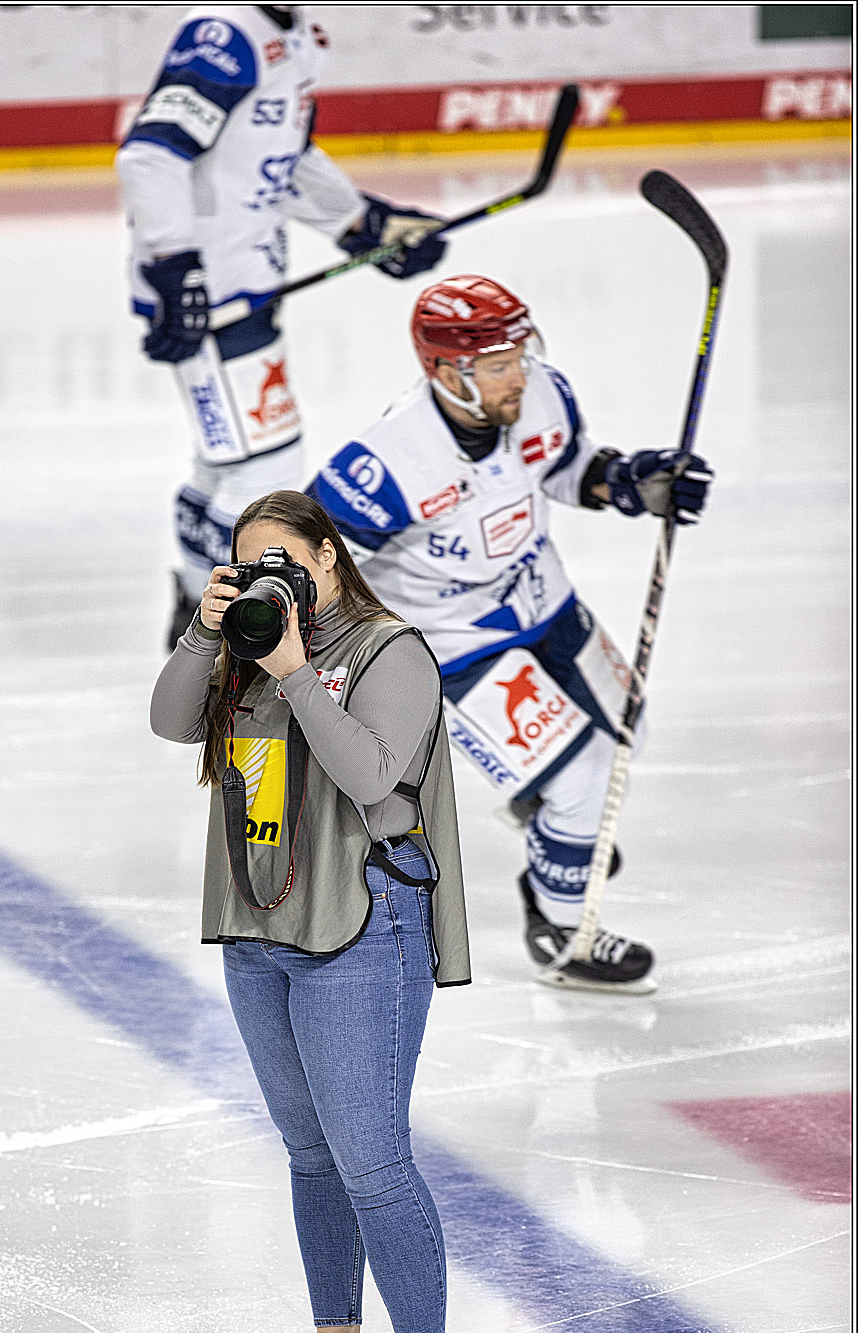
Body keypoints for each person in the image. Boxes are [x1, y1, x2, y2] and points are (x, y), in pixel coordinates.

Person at [150, 489, 470, 1333]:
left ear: (328, 558)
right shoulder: (242, 645)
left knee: (373, 1160)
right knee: (311, 1152)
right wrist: (210, 638)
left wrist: (292, 671)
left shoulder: (390, 652)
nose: (269, 582)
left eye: (283, 562)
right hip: (262, 926)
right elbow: (170, 721)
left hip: (364, 928)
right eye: (249, 567)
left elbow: (373, 777)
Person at [305, 273, 714, 994]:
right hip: (450, 639)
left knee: (625, 738)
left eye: (519, 355)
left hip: (540, 596)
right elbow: (314, 554)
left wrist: (629, 482)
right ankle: (563, 930)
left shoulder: (541, 390)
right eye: (498, 366)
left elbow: (566, 466)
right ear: (445, 370)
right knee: (583, 775)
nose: (518, 375)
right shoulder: (390, 459)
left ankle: (545, 810)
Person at [117, 5, 448, 648]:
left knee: (231, 458)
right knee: (263, 468)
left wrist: (362, 224)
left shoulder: (296, 36)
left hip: (241, 286)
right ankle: (223, 627)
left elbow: (281, 162)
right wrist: (174, 267)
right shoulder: (224, 36)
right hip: (212, 297)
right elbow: (151, 156)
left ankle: (197, 610)